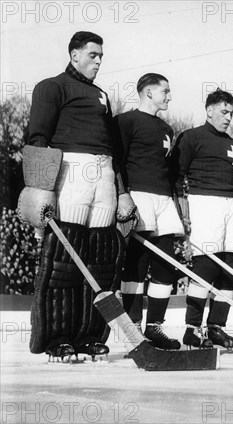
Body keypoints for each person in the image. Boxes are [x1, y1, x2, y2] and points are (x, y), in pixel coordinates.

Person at [20, 31, 134, 359]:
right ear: (74, 55)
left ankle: (88, 335)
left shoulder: (101, 95)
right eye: (92, 55)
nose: (99, 60)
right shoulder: (52, 87)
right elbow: (37, 138)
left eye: (101, 55)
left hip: (105, 175)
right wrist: (40, 189)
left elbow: (114, 147)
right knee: (63, 262)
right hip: (71, 172)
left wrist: (122, 192)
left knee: (100, 260)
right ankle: (57, 339)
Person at [117, 73, 184, 350]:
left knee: (166, 263)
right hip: (138, 195)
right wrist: (122, 195)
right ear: (148, 92)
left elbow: (170, 173)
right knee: (137, 262)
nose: (169, 96)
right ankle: (132, 330)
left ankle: (154, 326)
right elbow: (116, 162)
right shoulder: (126, 121)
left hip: (164, 199)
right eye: (164, 91)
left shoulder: (167, 128)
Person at [173, 89, 233, 352]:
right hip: (204, 203)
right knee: (205, 267)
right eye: (224, 112)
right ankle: (192, 330)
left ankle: (216, 327)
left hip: (230, 208)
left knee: (231, 267)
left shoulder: (232, 143)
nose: (228, 118)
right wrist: (183, 213)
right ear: (209, 110)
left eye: (232, 114)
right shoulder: (191, 137)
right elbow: (177, 177)